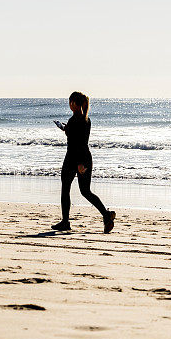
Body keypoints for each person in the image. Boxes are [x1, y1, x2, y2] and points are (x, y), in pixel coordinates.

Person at [52, 91, 116, 233]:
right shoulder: (85, 119)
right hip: (85, 157)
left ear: (74, 103)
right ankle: (106, 215)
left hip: (74, 158)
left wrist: (79, 163)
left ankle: (65, 222)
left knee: (66, 189)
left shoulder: (75, 120)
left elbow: (77, 143)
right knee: (85, 191)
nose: (69, 104)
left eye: (70, 102)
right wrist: (64, 127)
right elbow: (77, 137)